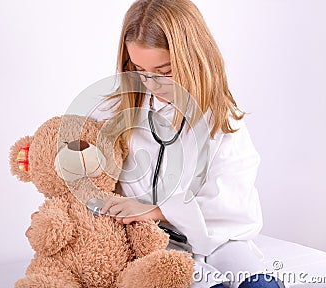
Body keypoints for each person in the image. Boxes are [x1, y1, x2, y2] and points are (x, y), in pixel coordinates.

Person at [90, 1, 282, 287]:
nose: (151, 84)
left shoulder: (222, 121)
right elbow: (79, 153)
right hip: (151, 242)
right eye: (140, 70)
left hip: (220, 241)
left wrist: (157, 210)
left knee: (259, 284)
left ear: (193, 59)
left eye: (164, 71)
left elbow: (229, 203)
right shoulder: (116, 111)